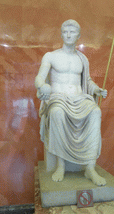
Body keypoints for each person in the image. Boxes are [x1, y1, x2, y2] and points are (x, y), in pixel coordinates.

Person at [35, 19, 107, 186]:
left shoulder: (82, 59)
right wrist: (42, 85)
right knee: (57, 113)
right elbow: (39, 77)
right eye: (65, 31)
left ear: (78, 36)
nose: (68, 34)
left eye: (72, 32)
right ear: (61, 34)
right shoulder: (51, 56)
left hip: (80, 99)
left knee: (96, 112)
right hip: (58, 98)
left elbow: (86, 81)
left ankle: (90, 167)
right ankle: (61, 165)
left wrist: (96, 90)